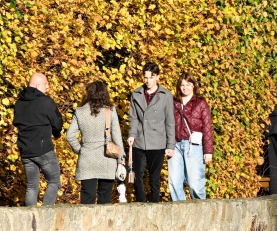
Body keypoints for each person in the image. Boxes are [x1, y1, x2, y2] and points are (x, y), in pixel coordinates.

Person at [65, 80, 123, 204]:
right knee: (105, 195)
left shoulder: (80, 111)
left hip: (87, 158)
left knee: (87, 195)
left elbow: (70, 136)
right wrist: (121, 161)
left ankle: (86, 223)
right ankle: (103, 223)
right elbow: (117, 137)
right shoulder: (110, 111)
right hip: (107, 158)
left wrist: (80, 150)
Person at [126, 62, 175, 203]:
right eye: (146, 77)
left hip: (158, 141)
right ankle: (140, 203)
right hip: (140, 141)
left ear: (157, 77)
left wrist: (170, 145)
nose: (148, 81)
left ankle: (155, 204)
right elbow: (133, 117)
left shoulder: (165, 95)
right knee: (137, 175)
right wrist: (132, 134)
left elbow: (170, 121)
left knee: (154, 177)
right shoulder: (136, 94)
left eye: (151, 77)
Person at [13, 72, 63, 206]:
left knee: (31, 186)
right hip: (43, 149)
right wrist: (56, 133)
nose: (47, 87)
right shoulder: (45, 102)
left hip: (26, 151)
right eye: (46, 84)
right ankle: (46, 213)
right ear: (38, 85)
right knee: (54, 181)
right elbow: (57, 122)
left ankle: (31, 218)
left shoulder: (19, 103)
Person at [170, 74, 214, 200]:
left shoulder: (200, 103)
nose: (185, 87)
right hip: (176, 145)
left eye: (188, 84)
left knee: (195, 183)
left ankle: (201, 212)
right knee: (174, 182)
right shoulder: (174, 103)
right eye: (182, 85)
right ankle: (180, 213)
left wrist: (208, 151)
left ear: (193, 85)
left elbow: (207, 127)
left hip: (194, 146)